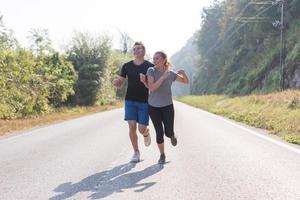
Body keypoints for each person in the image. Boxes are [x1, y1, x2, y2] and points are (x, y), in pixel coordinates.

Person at [112, 41, 154, 163]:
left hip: (144, 101)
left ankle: (146, 133)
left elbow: (153, 85)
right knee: (131, 126)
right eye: (134, 49)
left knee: (141, 128)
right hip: (130, 100)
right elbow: (120, 82)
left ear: (144, 51)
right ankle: (136, 152)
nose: (136, 51)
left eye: (139, 49)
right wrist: (116, 82)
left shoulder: (150, 67)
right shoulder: (127, 66)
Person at [145, 51, 189, 164]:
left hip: (167, 106)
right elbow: (152, 88)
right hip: (153, 107)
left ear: (164, 60)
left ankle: (172, 135)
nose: (154, 60)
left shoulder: (170, 73)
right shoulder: (151, 70)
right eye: (154, 58)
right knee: (159, 132)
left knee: (168, 132)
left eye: (157, 58)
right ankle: (162, 155)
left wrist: (184, 73)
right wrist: (163, 78)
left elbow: (185, 81)